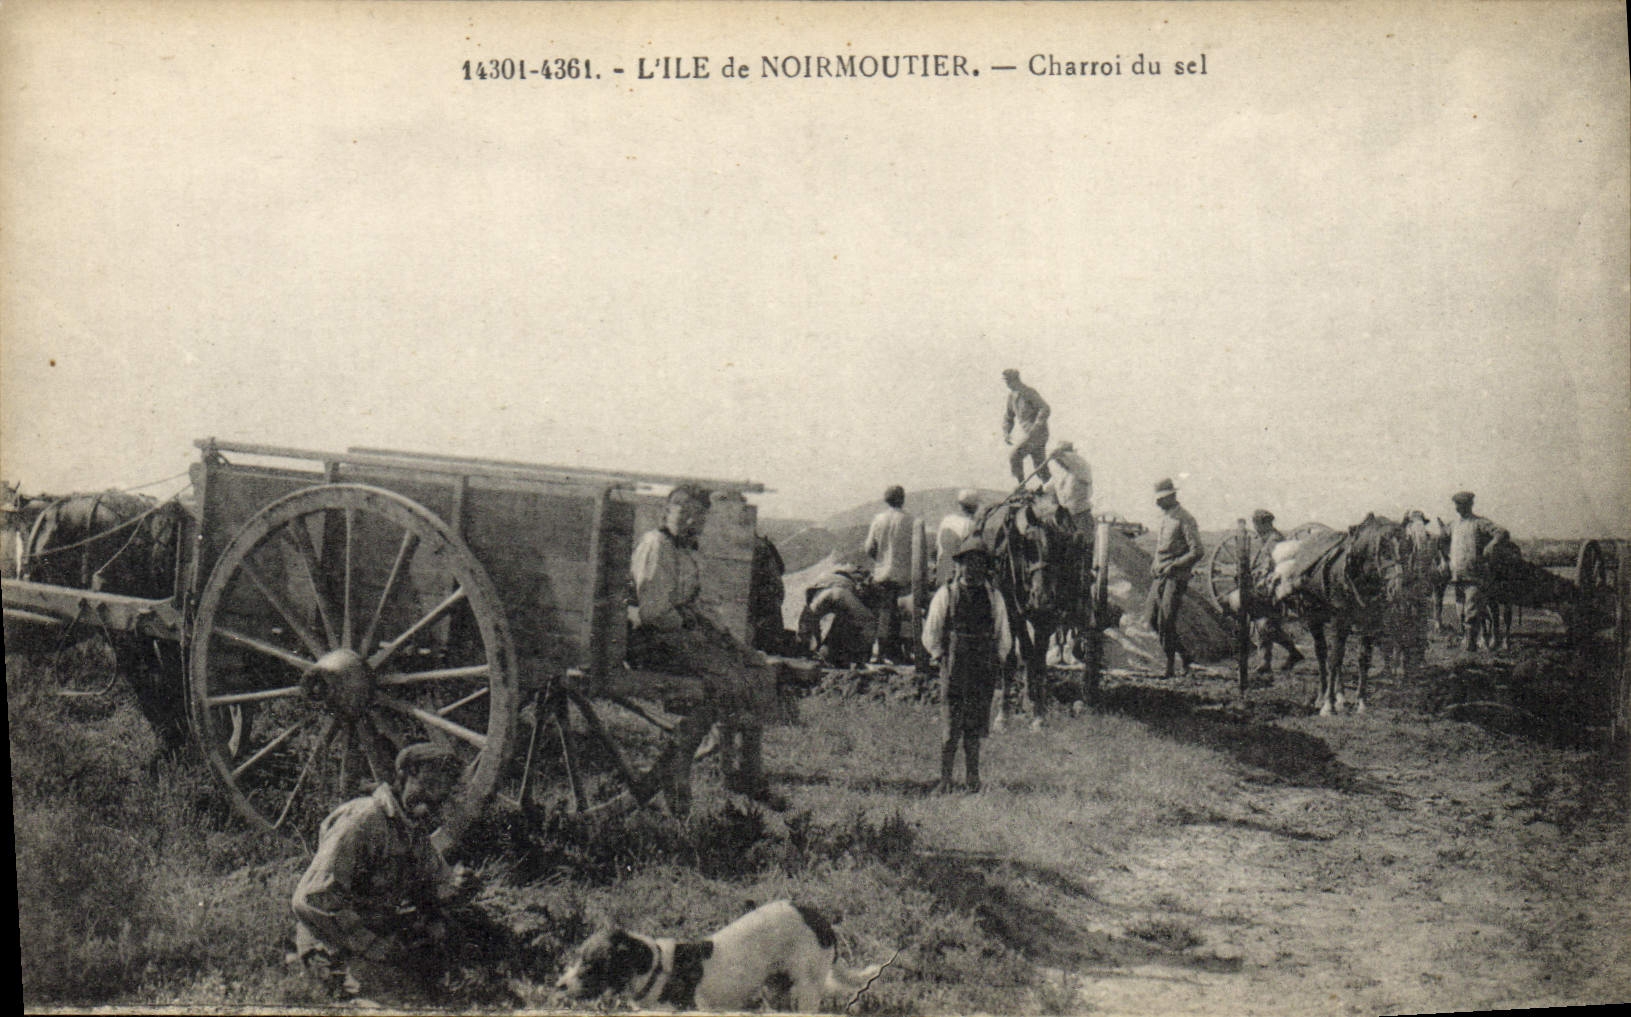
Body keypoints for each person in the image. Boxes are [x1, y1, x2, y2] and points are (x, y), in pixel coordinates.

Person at [629, 485, 779, 814]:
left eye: (699, 515)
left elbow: (699, 605)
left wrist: (729, 640)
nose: (691, 521)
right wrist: (693, 628)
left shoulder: (687, 551)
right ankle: (684, 769)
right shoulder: (656, 545)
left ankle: (748, 772)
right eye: (683, 512)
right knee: (725, 682)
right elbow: (654, 612)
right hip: (654, 641)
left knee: (756, 671)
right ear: (667, 511)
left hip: (681, 635)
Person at [291, 743, 480, 1002]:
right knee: (402, 1001)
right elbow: (312, 899)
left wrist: (457, 884)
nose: (434, 797)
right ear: (404, 775)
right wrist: (373, 946)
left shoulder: (412, 828)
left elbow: (435, 880)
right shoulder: (364, 820)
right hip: (334, 941)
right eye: (428, 785)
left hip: (377, 932)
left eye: (442, 790)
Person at [922, 534, 1013, 793]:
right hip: (954, 667)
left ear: (986, 567)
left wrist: (997, 659)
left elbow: (1003, 633)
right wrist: (940, 656)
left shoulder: (994, 597)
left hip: (982, 668)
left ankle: (973, 780)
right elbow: (931, 631)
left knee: (974, 727)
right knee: (951, 726)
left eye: (979, 563)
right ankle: (946, 780)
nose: (973, 568)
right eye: (968, 562)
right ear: (959, 565)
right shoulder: (947, 594)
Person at [1150, 478, 1203, 678]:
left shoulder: (1185, 519)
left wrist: (1175, 565)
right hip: (1160, 575)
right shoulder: (1165, 518)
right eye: (1157, 499)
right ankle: (1185, 655)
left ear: (1172, 496)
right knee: (1152, 618)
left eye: (1162, 499)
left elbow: (1197, 551)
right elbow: (1161, 548)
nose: (1158, 502)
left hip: (1176, 577)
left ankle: (1170, 666)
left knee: (1166, 620)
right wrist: (1154, 563)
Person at [1447, 491, 1511, 652]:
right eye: (1456, 505)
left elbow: (1502, 532)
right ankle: (1469, 641)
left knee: (1471, 611)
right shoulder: (1454, 525)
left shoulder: (1479, 523)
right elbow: (1442, 538)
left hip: (1474, 576)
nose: (1457, 508)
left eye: (1461, 505)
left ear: (1470, 505)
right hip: (1457, 576)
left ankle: (1471, 646)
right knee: (1461, 611)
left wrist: (1491, 545)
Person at [1248, 509, 1305, 674]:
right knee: (1264, 624)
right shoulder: (1269, 539)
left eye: (1256, 524)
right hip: (1268, 586)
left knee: (1266, 624)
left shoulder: (1274, 540)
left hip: (1272, 588)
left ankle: (1286, 655)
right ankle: (1268, 661)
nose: (1255, 528)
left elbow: (1270, 565)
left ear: (1264, 523)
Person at [864, 485, 915, 664]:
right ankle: (904, 654)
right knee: (904, 615)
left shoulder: (878, 519)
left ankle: (882, 653)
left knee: (884, 614)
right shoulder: (911, 520)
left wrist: (880, 559)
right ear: (902, 499)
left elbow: (869, 548)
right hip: (904, 575)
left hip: (882, 574)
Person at [798, 558, 878, 667]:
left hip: (821, 593)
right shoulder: (856, 575)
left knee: (808, 620)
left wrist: (812, 643)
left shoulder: (827, 575)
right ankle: (860, 658)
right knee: (866, 621)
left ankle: (806, 651)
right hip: (842, 593)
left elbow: (811, 616)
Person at [1001, 369, 1052, 486]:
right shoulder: (1011, 397)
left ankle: (1021, 488)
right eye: (1005, 381)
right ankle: (1054, 493)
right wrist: (1006, 432)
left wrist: (1037, 425)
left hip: (1038, 434)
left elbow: (1045, 408)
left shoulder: (1028, 392)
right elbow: (1008, 416)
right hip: (1030, 434)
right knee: (1040, 468)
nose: (1007, 384)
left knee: (1015, 456)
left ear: (1016, 380)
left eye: (1008, 381)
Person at [934, 489, 981, 587]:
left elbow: (937, 546)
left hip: (941, 575)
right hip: (958, 580)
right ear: (975, 507)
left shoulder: (946, 520)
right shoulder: (971, 525)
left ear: (959, 505)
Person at [1044, 441, 1094, 530]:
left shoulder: (1080, 466)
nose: (1059, 463)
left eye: (1060, 460)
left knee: (1083, 536)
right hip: (1066, 515)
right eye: (1058, 461)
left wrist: (1060, 455)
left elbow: (1072, 460)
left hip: (1081, 513)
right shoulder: (1060, 473)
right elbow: (1047, 488)